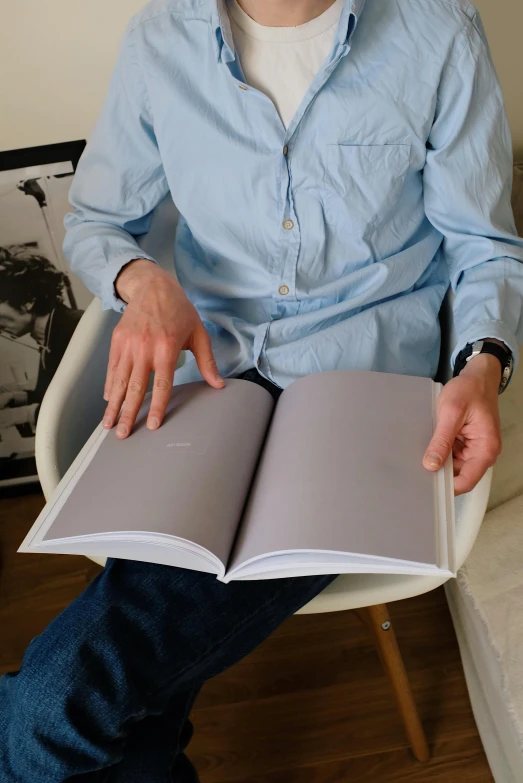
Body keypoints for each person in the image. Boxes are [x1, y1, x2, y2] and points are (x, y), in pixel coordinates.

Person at [1, 0, 522, 780]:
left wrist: (483, 364)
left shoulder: (437, 30)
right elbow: (99, 219)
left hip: (361, 394)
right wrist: (140, 279)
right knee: (84, 710)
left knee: (52, 708)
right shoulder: (159, 40)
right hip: (208, 380)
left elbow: (481, 244)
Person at [0, 245, 84, 432]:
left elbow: (86, 407)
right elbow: (57, 395)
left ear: (27, 301)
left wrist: (22, 414)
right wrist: (16, 398)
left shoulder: (76, 328)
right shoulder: (50, 332)